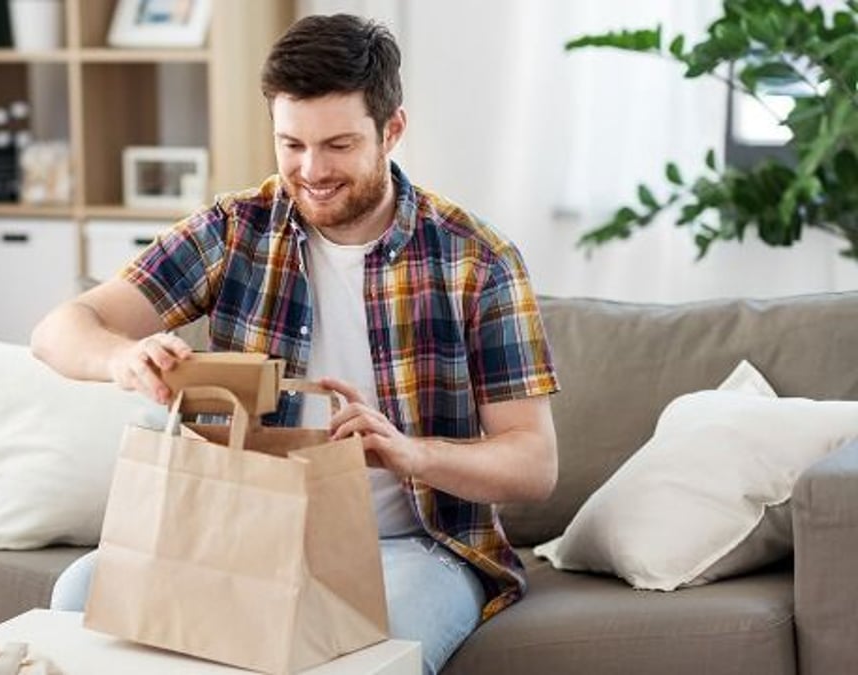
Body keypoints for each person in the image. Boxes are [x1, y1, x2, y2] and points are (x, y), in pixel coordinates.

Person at [31, 13, 559, 674]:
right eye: (292, 145)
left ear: (392, 129)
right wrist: (120, 357)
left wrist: (408, 453)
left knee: (360, 649)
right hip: (239, 531)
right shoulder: (235, 230)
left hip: (410, 546)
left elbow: (534, 464)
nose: (311, 171)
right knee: (77, 593)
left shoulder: (477, 260)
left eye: (338, 145)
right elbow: (57, 331)